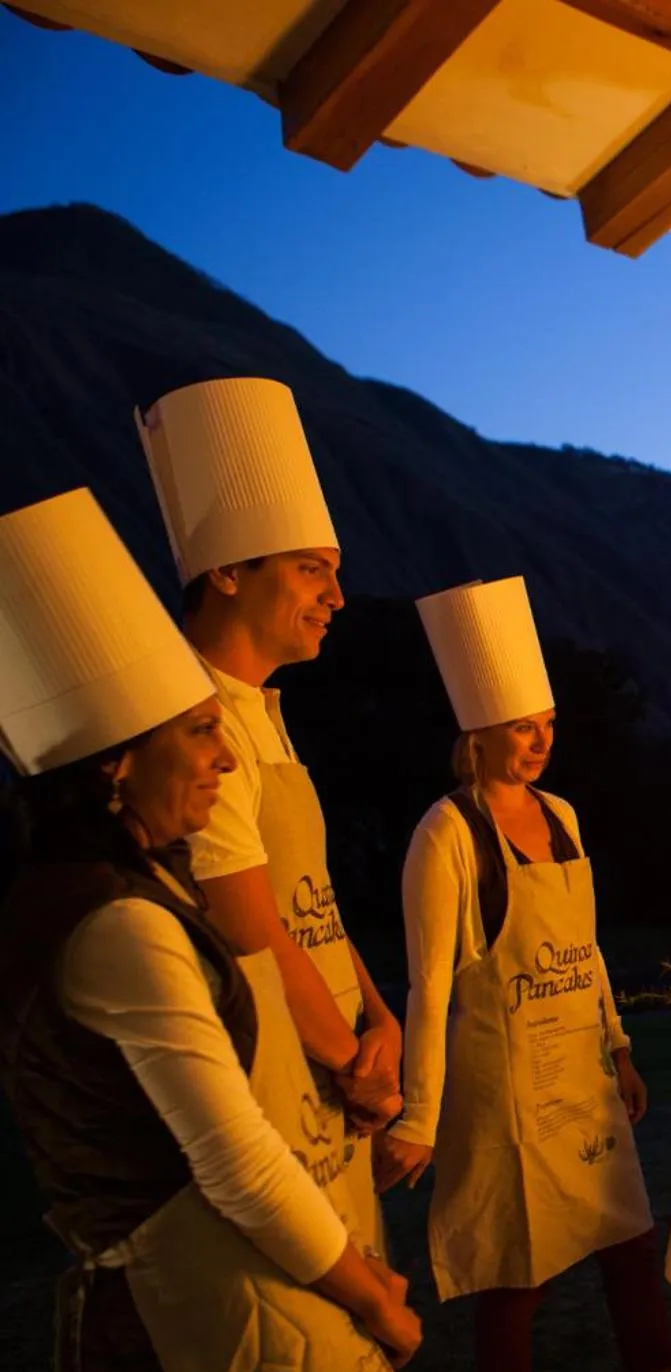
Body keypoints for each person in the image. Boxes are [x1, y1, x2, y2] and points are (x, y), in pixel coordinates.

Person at [0, 489, 439, 1372]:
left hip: (173, 1280)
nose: (225, 752)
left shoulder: (83, 893)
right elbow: (236, 1161)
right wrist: (372, 1295)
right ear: (115, 766)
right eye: (200, 730)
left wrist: (372, 1016)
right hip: (193, 1279)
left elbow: (308, 909)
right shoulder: (123, 926)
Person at [378, 578, 671, 1372]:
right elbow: (430, 985)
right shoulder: (447, 832)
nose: (542, 740)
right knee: (515, 1270)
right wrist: (420, 1117)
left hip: (579, 1074)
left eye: (547, 721)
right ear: (480, 731)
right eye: (522, 725)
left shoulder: (563, 817)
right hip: (502, 1086)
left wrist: (623, 1048)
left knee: (626, 1238)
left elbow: (583, 950)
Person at [138, 377, 399, 1261]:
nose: (336, 595)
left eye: (335, 573)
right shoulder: (193, 716)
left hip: (331, 1051)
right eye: (311, 569)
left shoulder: (261, 710)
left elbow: (303, 896)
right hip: (276, 1063)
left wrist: (378, 1016)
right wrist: (355, 1065)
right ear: (227, 571)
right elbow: (245, 922)